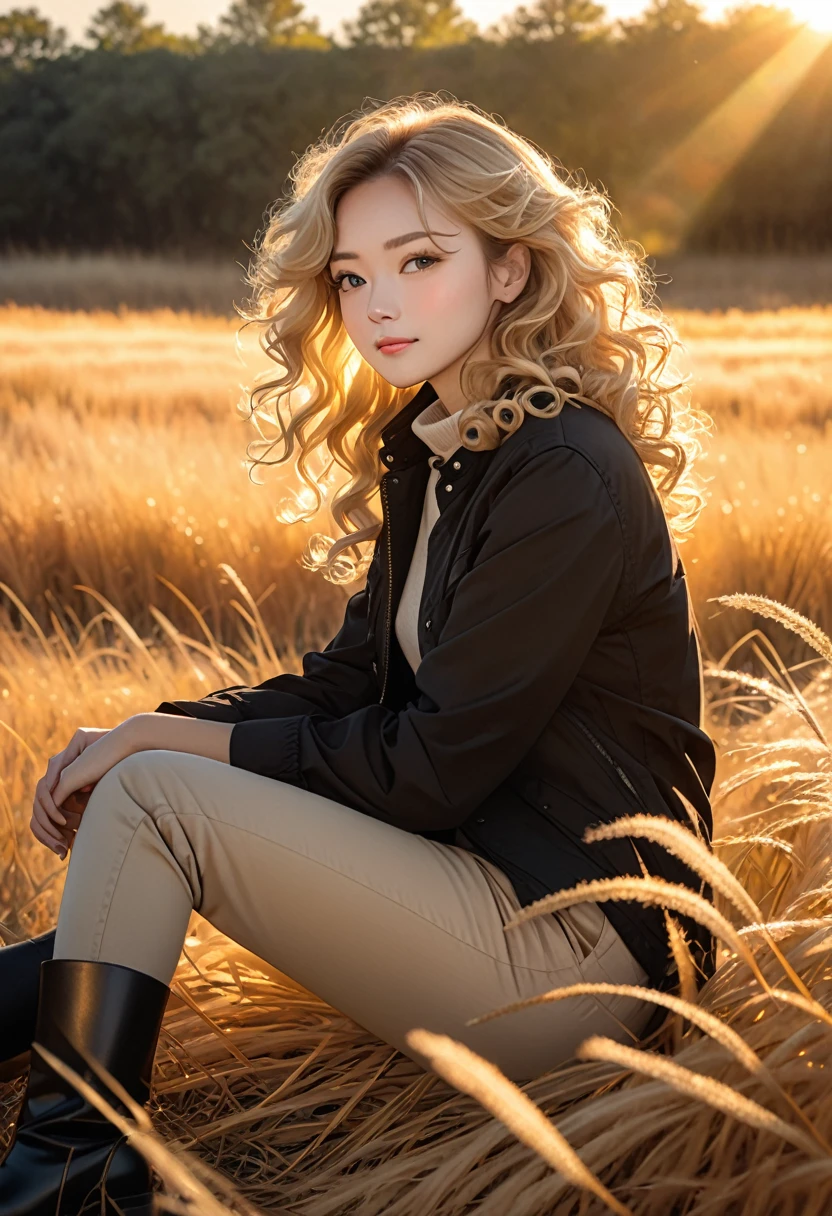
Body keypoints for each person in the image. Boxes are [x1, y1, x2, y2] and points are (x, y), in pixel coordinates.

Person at [0, 93, 718, 1211]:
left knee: (154, 798)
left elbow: (426, 769)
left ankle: (62, 1193)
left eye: (419, 259)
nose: (378, 303)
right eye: (350, 275)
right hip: (481, 895)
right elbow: (347, 686)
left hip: (581, 966)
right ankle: (60, 1141)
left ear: (511, 272)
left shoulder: (562, 474)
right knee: (152, 785)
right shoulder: (444, 450)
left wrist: (157, 746)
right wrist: (154, 723)